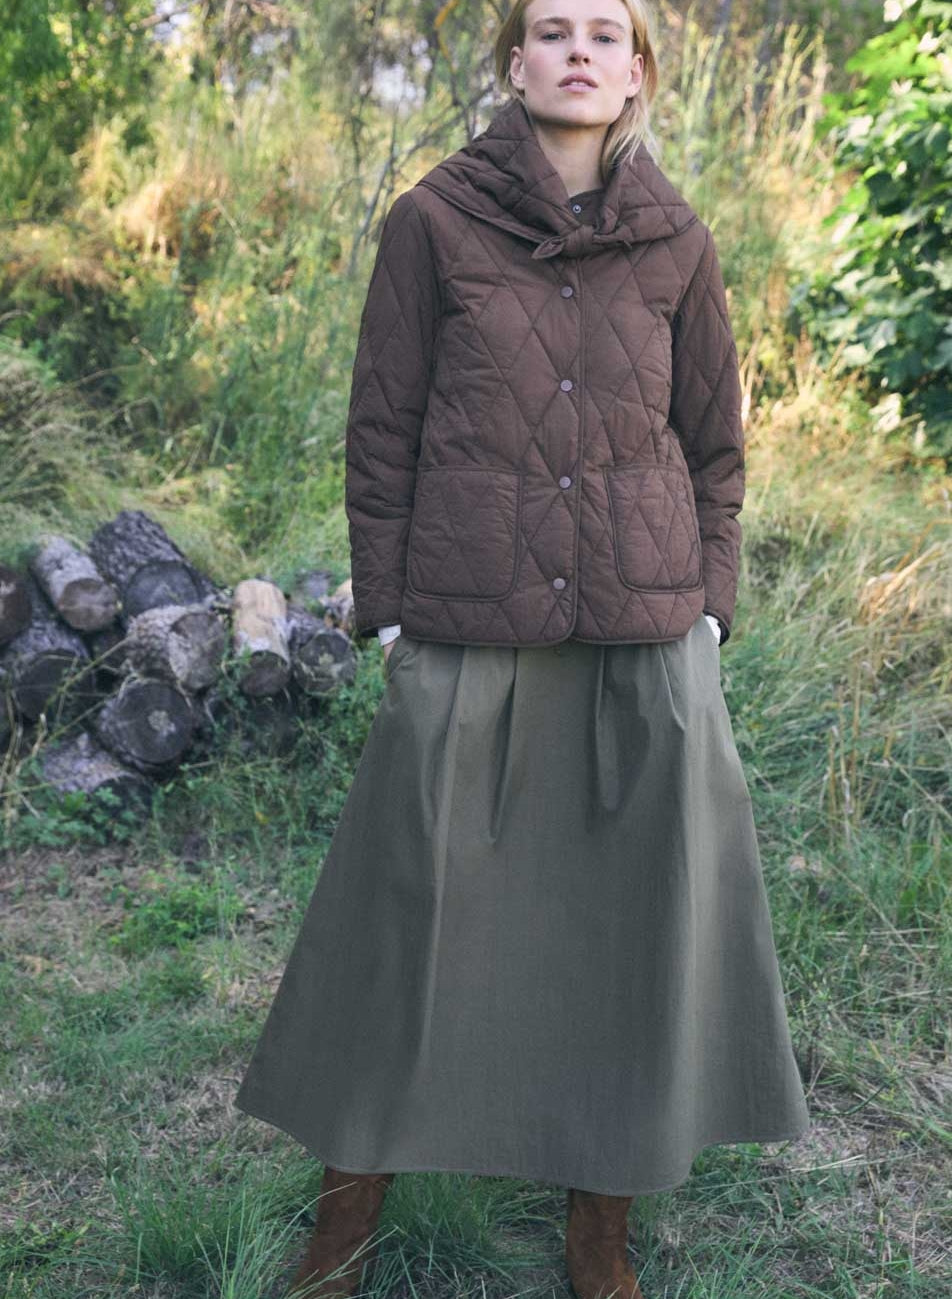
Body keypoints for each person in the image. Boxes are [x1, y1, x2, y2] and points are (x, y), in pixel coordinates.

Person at [233, 2, 811, 1296]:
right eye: (553, 30)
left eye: (607, 34)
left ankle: (598, 1235)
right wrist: (392, 610)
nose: (580, 51)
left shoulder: (679, 241)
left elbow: (715, 448)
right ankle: (345, 1225)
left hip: (643, 638)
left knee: (634, 937)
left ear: (637, 74)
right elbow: (382, 427)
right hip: (464, 623)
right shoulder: (431, 222)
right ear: (514, 65)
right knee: (402, 926)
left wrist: (712, 607)